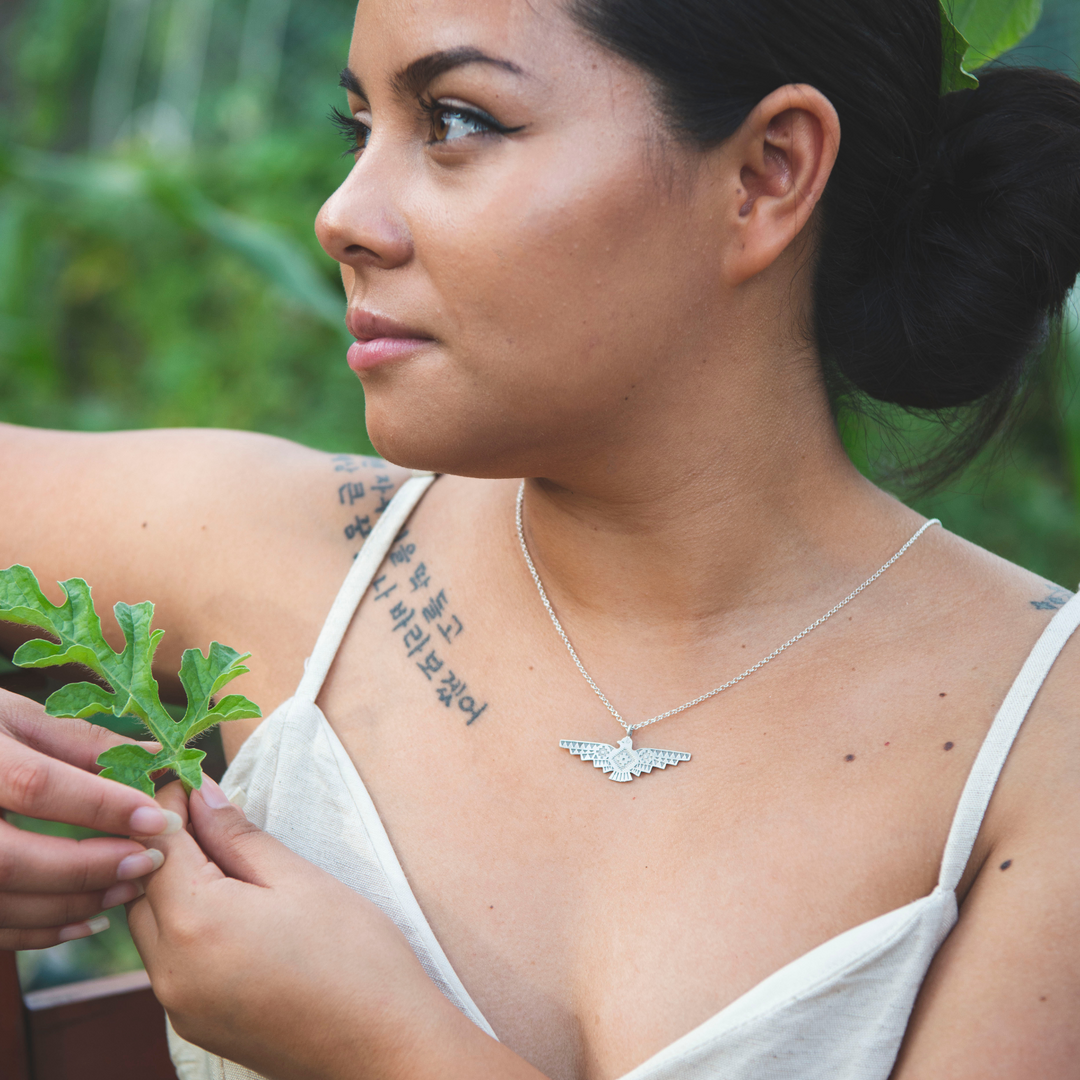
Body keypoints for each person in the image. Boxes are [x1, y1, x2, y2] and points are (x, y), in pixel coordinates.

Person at [3, 0, 1080, 1076]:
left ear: (765, 174)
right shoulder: (271, 550)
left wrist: (388, 1049)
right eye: (359, 127)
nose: (343, 215)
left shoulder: (1044, 742)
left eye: (457, 120)